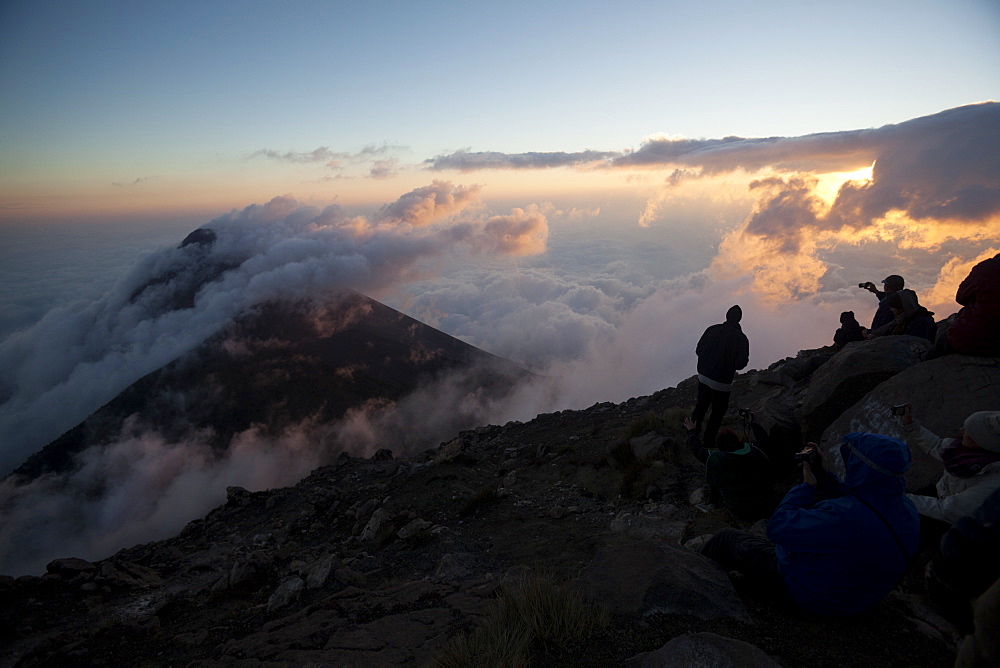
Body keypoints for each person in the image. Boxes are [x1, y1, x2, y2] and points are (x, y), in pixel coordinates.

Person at [700, 432, 919, 616]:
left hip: (815, 596)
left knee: (727, 539)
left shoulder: (841, 516)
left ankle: (691, 579)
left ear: (864, 468)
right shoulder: (907, 509)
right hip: (861, 596)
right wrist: (825, 477)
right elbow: (865, 502)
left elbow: (777, 527)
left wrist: (806, 488)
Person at [900, 406, 1000, 524]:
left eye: (969, 432)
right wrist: (910, 425)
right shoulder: (963, 450)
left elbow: (946, 510)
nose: (961, 430)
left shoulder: (992, 484)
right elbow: (937, 445)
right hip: (944, 495)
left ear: (981, 442)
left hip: (959, 522)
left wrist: (899, 498)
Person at [683, 416, 775, 520]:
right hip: (764, 505)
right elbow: (764, 440)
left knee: (715, 475)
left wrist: (691, 431)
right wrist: (753, 423)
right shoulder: (754, 450)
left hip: (737, 509)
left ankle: (713, 504)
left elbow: (697, 449)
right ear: (737, 440)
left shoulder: (715, 458)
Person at [924, 251, 1000, 360]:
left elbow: (961, 297)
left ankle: (922, 361)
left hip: (970, 338)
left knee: (940, 345)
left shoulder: (988, 268)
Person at [691, 305, 749, 447]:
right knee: (717, 413)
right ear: (739, 319)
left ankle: (692, 433)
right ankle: (708, 441)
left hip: (703, 376)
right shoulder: (741, 338)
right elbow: (741, 363)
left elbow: (699, 349)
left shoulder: (712, 329)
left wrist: (707, 362)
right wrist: (728, 364)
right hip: (722, 383)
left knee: (701, 406)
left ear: (726, 316)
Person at [866, 291, 936, 342]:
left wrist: (875, 339)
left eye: (893, 307)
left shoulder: (921, 323)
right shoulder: (903, 319)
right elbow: (886, 329)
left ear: (901, 307)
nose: (891, 310)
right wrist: (870, 333)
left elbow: (910, 344)